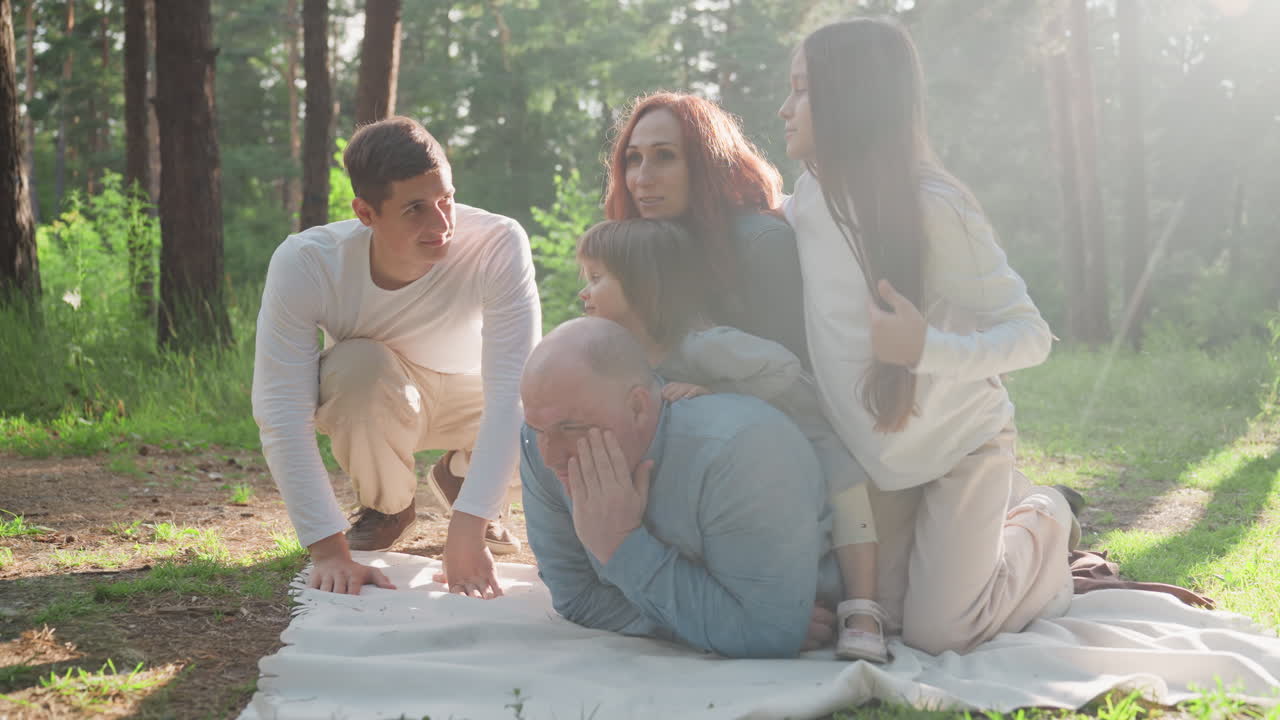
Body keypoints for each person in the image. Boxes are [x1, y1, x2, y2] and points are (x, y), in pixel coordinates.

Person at [777, 17, 1074, 655]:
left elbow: (1031, 336)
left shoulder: (936, 206)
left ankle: (1048, 516)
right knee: (885, 613)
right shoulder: (806, 201)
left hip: (963, 446)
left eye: (802, 90)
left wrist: (926, 351)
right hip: (885, 469)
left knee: (943, 633)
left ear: (851, 96)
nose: (784, 108)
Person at [252, 116, 541, 598]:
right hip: (383, 396)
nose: (442, 223)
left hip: (477, 396)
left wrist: (467, 531)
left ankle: (465, 482)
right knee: (355, 368)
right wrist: (328, 552)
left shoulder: (498, 241)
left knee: (556, 402)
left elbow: (514, 390)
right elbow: (281, 410)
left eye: (446, 199)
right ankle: (389, 507)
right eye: (415, 209)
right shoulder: (307, 262)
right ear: (366, 213)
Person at [575, 218, 888, 662]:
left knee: (849, 505)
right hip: (752, 455)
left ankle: (862, 610)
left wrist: (721, 393)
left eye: (596, 278)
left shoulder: (702, 345)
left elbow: (781, 368)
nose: (583, 292)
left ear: (643, 284)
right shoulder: (636, 356)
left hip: (807, 429)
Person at [519, 317, 843, 658]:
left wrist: (619, 545)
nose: (550, 456)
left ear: (638, 407)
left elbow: (768, 636)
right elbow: (577, 599)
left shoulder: (742, 451)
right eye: (537, 429)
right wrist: (722, 627)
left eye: (572, 427)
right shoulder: (537, 442)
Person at [604, 92, 809, 367]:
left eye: (664, 156)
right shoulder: (642, 251)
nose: (643, 178)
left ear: (708, 163)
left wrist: (715, 390)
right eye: (633, 158)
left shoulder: (763, 245)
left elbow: (796, 381)